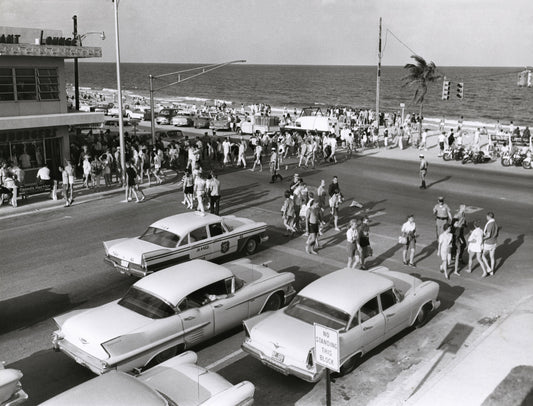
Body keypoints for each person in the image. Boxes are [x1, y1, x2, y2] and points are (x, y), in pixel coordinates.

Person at [481, 212, 498, 276]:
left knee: (482, 255)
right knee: (492, 257)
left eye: (486, 216)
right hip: (494, 242)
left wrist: (482, 239)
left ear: (488, 216)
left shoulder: (490, 224)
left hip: (488, 243)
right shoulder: (495, 223)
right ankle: (492, 271)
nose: (486, 217)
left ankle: (488, 268)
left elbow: (488, 235)